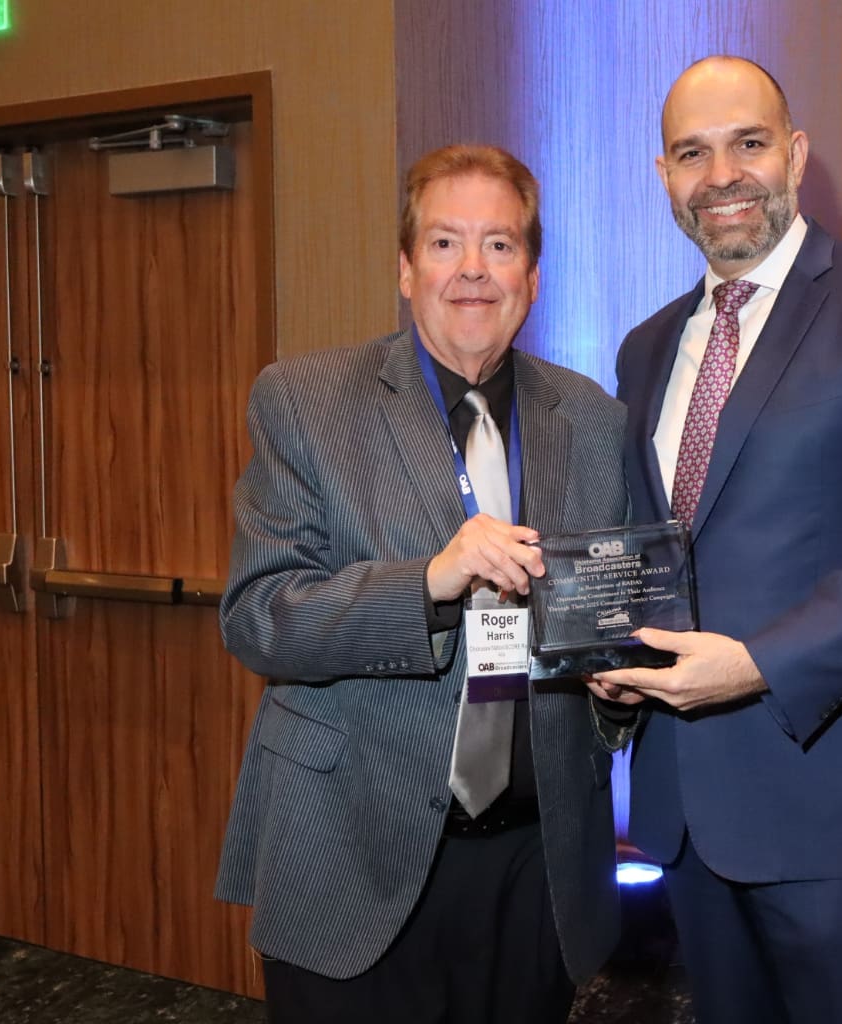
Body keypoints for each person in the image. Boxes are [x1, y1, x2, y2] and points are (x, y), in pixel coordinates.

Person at [593, 56, 842, 1023]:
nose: (722, 175)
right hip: (689, 804)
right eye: (693, 153)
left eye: (749, 143)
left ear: (798, 154)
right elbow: (659, 545)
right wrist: (610, 648)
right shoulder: (646, 346)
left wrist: (757, 664)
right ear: (663, 176)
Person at [215, 144, 630, 1024]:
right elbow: (260, 619)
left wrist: (620, 694)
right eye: (445, 243)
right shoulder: (304, 400)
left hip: (537, 868)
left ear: (532, 277)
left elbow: (609, 619)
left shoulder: (594, 419)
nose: (473, 269)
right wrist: (430, 583)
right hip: (352, 851)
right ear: (406, 271)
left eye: (500, 245)